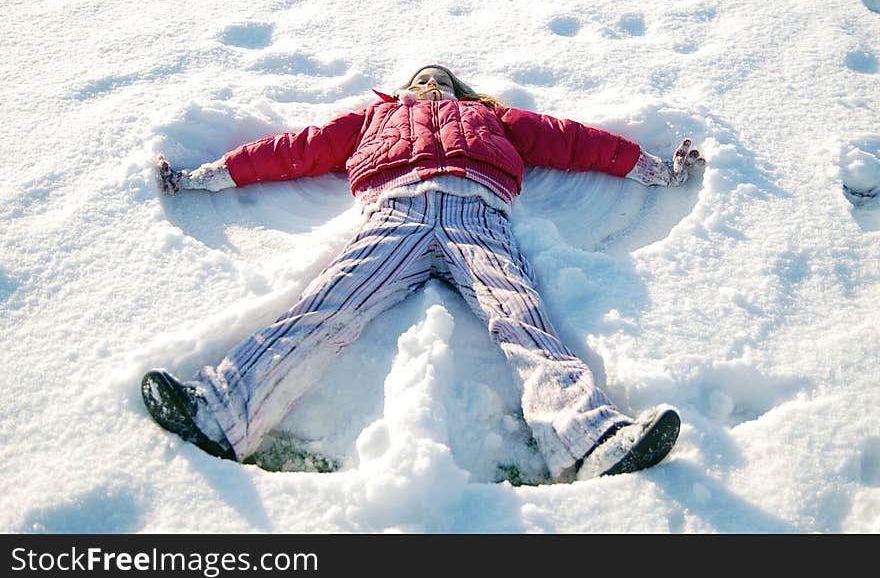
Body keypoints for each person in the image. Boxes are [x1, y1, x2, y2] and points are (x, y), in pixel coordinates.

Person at [142, 64, 706, 482]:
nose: (431, 86)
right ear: (404, 90)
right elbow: (293, 150)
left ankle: (591, 439)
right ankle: (218, 414)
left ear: (460, 92)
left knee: (521, 320)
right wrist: (205, 178)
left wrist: (652, 169)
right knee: (325, 308)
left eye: (442, 81)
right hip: (396, 212)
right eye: (420, 80)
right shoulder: (372, 119)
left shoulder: (493, 117)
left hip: (477, 214)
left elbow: (575, 142)